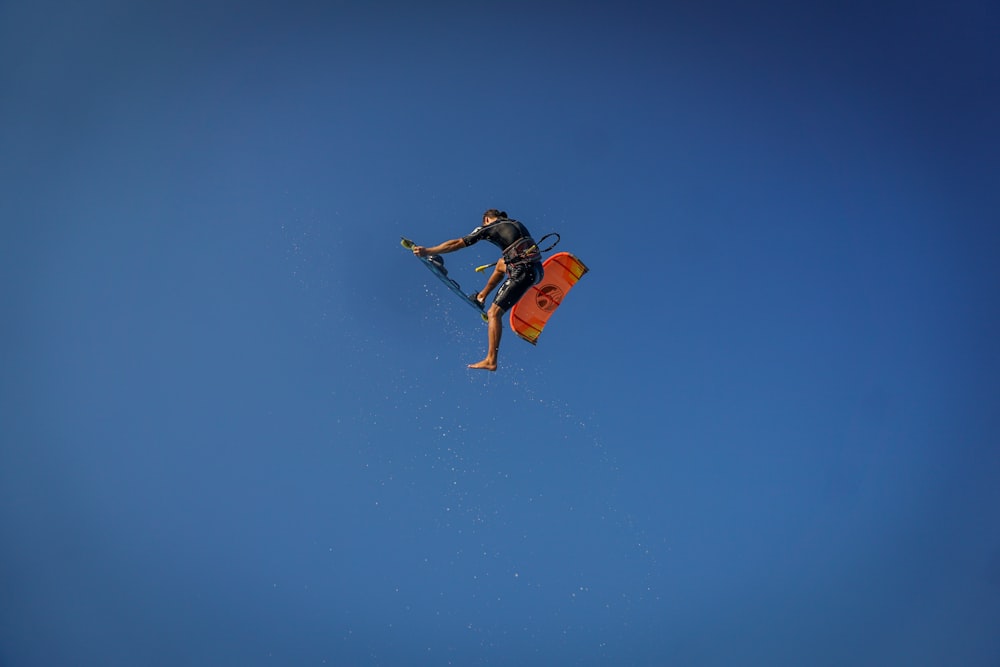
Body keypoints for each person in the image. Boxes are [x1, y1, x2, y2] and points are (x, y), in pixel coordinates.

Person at [412, 209, 543, 371]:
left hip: (523, 271)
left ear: (486, 219)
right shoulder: (515, 223)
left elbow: (457, 243)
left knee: (493, 313)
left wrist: (428, 251)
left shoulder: (489, 227)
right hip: (537, 271)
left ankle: (491, 359)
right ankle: (481, 296)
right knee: (501, 263)